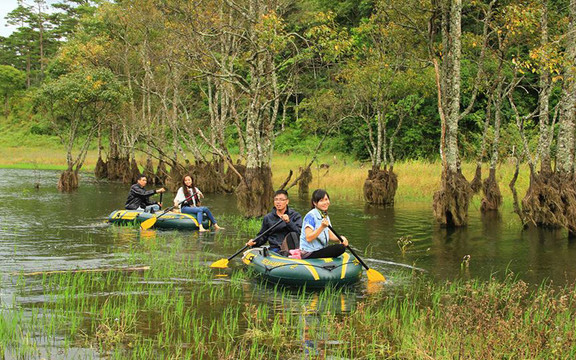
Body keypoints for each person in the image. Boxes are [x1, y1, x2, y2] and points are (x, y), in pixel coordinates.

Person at [246, 190, 302, 256]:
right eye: (276, 200)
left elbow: (300, 233)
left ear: (287, 201)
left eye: (281, 200)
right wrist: (254, 242)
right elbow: (263, 236)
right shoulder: (268, 217)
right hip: (275, 248)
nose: (278, 202)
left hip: (292, 248)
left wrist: (289, 222)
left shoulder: (295, 216)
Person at [299, 189, 348, 259]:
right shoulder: (310, 216)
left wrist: (341, 238)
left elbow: (330, 235)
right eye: (321, 200)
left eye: (326, 199)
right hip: (309, 252)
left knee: (341, 247)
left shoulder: (325, 216)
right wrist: (322, 227)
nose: (325, 202)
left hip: (320, 249)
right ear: (315, 203)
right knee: (340, 248)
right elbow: (308, 238)